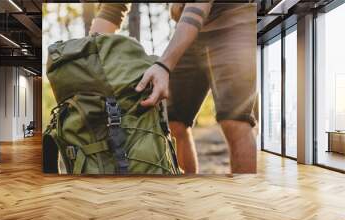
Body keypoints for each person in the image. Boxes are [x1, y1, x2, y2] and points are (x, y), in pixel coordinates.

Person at [89, 2, 257, 174]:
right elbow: (113, 8)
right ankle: (185, 192)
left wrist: (164, 65)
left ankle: (245, 195)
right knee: (173, 121)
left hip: (231, 21)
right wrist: (86, 55)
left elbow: (199, 6)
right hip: (189, 30)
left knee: (234, 119)